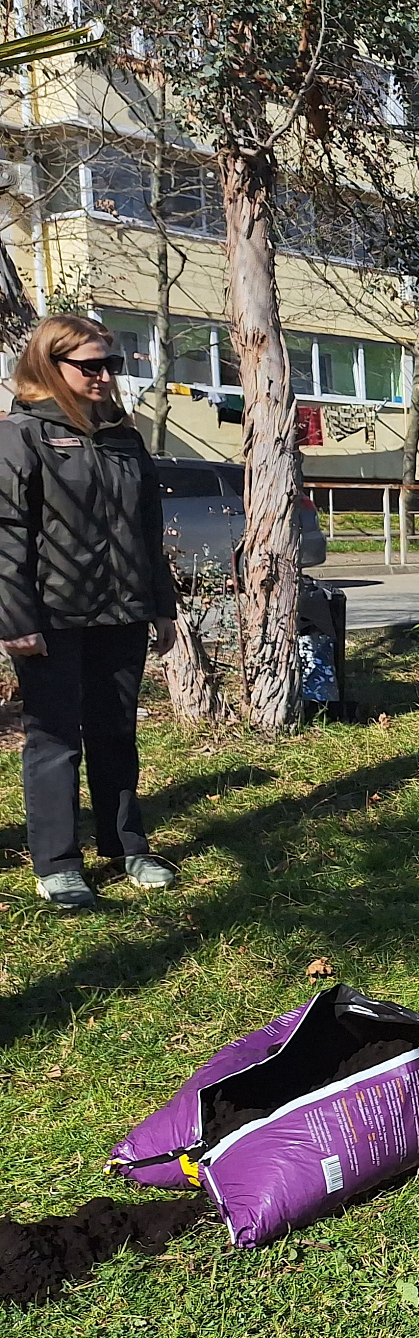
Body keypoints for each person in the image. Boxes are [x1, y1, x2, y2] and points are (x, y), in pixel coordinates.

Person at [0, 314, 179, 909]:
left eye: (112, 364)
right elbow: (6, 534)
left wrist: (160, 606)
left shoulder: (124, 436)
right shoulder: (21, 434)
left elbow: (146, 529)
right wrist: (16, 620)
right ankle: (56, 863)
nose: (104, 376)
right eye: (90, 365)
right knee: (53, 739)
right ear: (50, 366)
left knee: (115, 731)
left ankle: (126, 844)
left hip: (122, 611)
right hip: (51, 615)